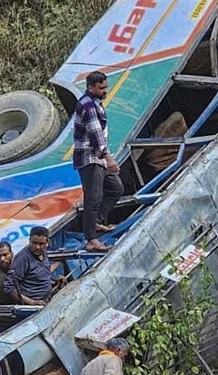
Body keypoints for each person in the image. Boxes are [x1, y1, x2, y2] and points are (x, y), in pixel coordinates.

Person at [73, 71, 124, 252]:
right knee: (93, 198)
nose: (105, 91)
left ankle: (96, 223)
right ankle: (91, 240)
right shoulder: (88, 106)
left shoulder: (95, 103)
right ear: (91, 87)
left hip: (97, 158)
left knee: (115, 188)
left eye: (106, 87)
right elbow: (95, 135)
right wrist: (108, 158)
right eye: (101, 88)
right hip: (90, 158)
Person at [4, 227, 56, 305]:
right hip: (33, 306)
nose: (37, 247)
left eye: (41, 244)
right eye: (34, 243)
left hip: (47, 299)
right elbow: (8, 287)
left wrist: (53, 282)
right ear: (29, 241)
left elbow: (38, 276)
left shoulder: (44, 253)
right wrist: (31, 302)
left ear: (47, 242)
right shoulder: (23, 258)